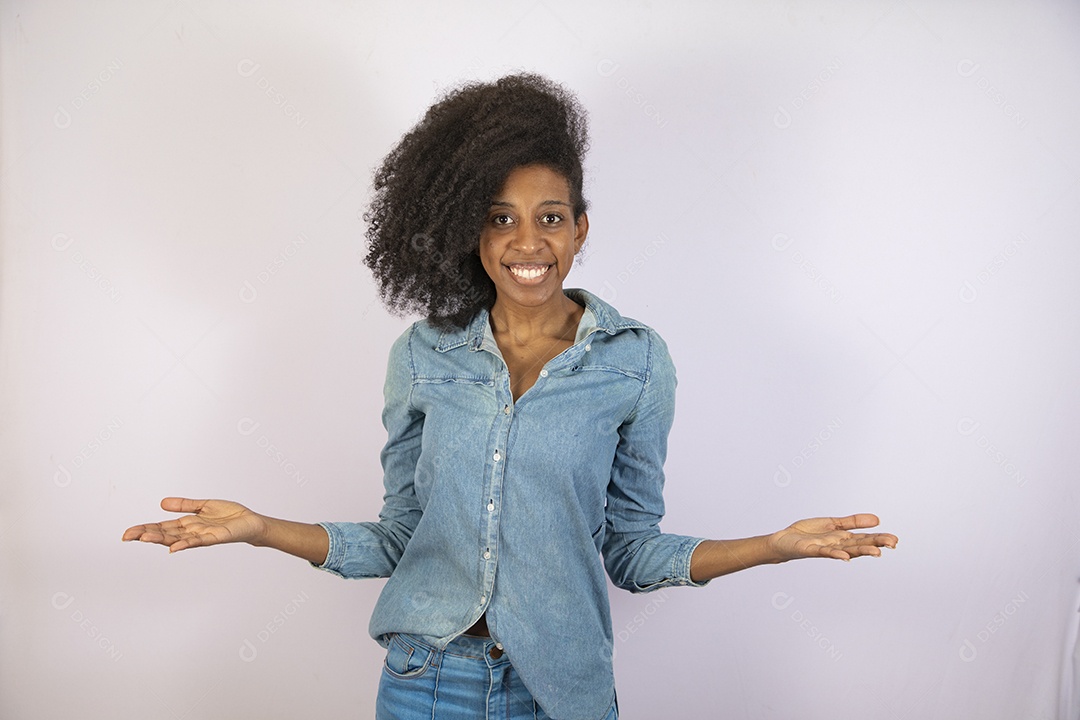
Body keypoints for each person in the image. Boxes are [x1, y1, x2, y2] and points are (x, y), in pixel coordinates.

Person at [123, 73, 897, 720]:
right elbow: (397, 540)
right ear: (473, 233)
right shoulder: (424, 357)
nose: (529, 243)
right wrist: (260, 528)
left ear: (580, 228)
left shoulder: (635, 362)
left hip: (559, 692)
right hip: (428, 682)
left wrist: (776, 546)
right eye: (501, 220)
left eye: (550, 218)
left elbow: (629, 551)